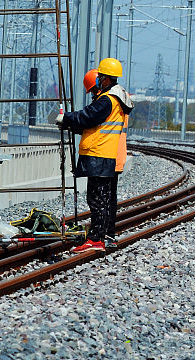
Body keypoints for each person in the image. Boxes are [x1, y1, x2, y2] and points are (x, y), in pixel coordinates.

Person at [57, 57, 132, 253]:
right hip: (106, 153)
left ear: (105, 78)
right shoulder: (115, 98)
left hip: (99, 154)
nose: (98, 81)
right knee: (104, 199)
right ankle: (103, 236)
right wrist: (72, 124)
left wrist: (67, 117)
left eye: (100, 77)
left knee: (97, 200)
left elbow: (88, 116)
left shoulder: (107, 100)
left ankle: (96, 239)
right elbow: (94, 125)